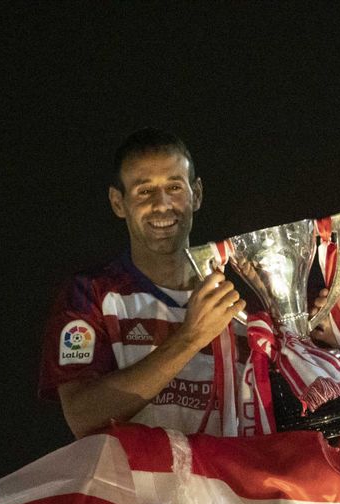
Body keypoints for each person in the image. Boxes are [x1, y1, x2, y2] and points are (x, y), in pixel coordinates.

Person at [38, 128, 247, 437]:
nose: (162, 204)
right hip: (133, 486)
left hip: (227, 485)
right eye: (144, 190)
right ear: (118, 202)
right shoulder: (88, 295)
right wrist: (190, 338)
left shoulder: (244, 295)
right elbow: (83, 415)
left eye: (174, 187)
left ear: (197, 194)